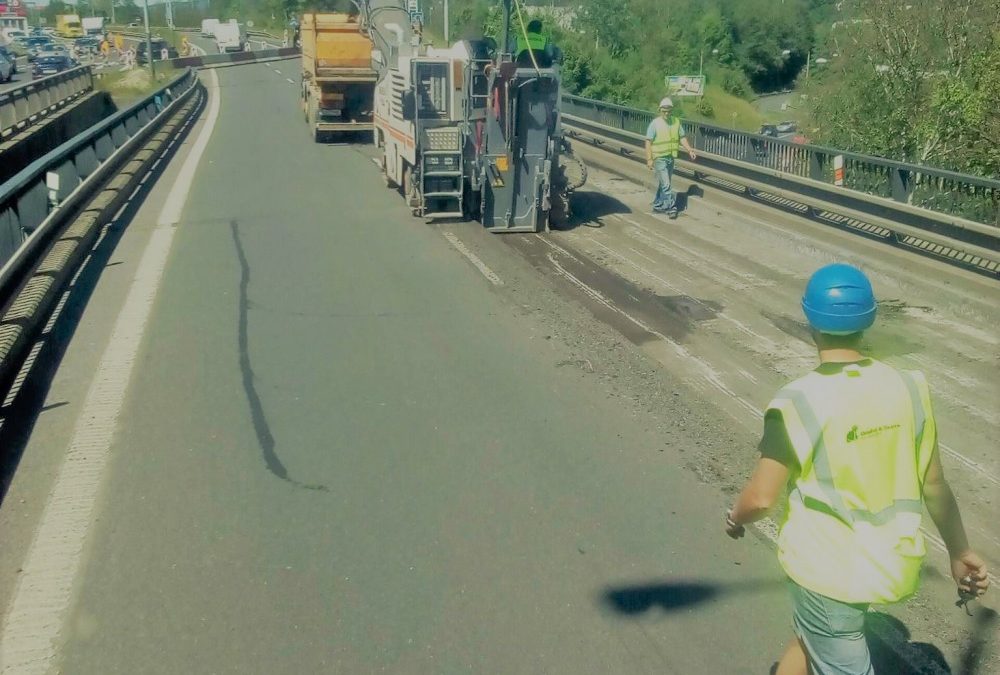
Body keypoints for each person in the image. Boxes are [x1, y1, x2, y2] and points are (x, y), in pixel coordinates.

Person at [724, 263, 989, 675]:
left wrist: (735, 517)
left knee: (825, 633)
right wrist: (960, 550)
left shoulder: (798, 401)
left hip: (826, 570)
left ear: (809, 320)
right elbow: (934, 484)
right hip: (885, 562)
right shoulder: (909, 388)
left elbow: (760, 498)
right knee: (813, 633)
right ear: (869, 319)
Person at [644, 97, 696, 217]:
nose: (666, 113)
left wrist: (689, 150)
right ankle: (672, 207)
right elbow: (648, 142)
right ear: (660, 110)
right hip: (659, 158)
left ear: (671, 110)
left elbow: (682, 137)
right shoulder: (655, 124)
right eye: (664, 111)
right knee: (666, 185)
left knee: (664, 184)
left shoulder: (676, 122)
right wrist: (649, 159)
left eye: (668, 111)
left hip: (670, 158)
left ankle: (658, 205)